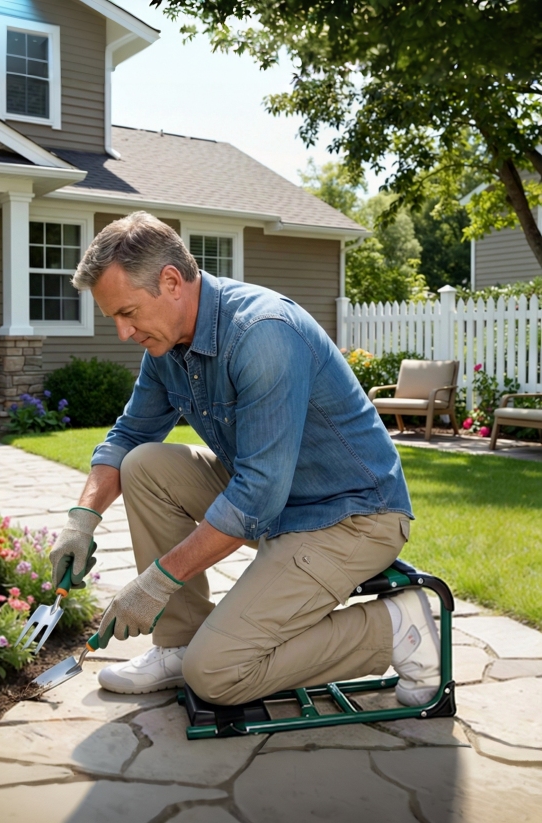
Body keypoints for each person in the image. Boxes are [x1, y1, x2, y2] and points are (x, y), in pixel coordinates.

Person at [49, 211, 440, 708]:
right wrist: (81, 521)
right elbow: (129, 435)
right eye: (115, 319)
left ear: (171, 282)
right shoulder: (166, 345)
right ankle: (179, 641)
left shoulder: (262, 334)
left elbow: (255, 495)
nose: (124, 333)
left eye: (127, 313)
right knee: (144, 464)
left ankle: (394, 627)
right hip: (279, 504)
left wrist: (157, 582)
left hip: (350, 517)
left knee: (216, 674)